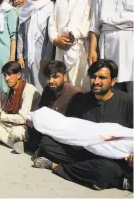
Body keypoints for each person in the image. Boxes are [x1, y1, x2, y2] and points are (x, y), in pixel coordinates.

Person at [34, 60, 133, 191]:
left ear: (113, 81)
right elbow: (70, 128)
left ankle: (56, 167)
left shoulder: (127, 102)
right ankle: (92, 174)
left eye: (102, 78)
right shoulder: (80, 100)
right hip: (85, 153)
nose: (96, 81)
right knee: (47, 143)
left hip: (114, 159)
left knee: (106, 169)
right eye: (93, 76)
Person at [48, 0, 96, 91]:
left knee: (82, 89)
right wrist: (55, 39)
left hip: (83, 49)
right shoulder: (61, 0)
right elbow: (52, 24)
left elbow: (93, 21)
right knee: (63, 90)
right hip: (61, 50)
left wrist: (74, 34)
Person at [89, 0, 133, 94]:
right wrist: (92, 49)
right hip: (107, 45)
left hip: (131, 42)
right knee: (110, 92)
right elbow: (94, 23)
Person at [0, 61, 41, 154]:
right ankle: (15, 143)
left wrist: (0, 116)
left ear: (18, 75)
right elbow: (7, 111)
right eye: (5, 75)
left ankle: (11, 140)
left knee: (15, 133)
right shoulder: (11, 91)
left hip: (28, 126)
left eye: (10, 75)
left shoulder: (28, 90)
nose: (7, 78)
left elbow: (23, 118)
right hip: (14, 123)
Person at [17, 0, 54, 93]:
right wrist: (19, 55)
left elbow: (50, 37)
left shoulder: (49, 7)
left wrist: (47, 57)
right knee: (28, 86)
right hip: (27, 56)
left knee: (42, 85)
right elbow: (21, 34)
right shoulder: (25, 10)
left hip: (42, 55)